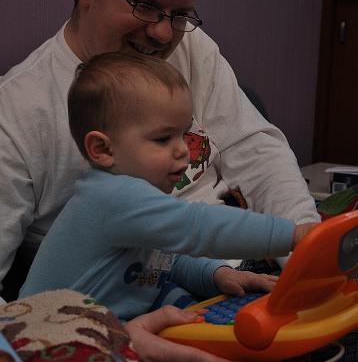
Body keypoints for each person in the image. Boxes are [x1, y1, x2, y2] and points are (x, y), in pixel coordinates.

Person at [0, 0, 320, 362]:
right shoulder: (18, 111)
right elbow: (184, 226)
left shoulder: (191, 46)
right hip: (129, 317)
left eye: (181, 12)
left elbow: (256, 147)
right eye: (145, 5)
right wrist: (103, 345)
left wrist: (309, 256)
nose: (164, 33)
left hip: (219, 275)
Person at [20, 52, 315, 322]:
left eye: (184, 134)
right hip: (52, 338)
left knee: (196, 311)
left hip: (117, 320)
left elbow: (162, 259)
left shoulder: (135, 202)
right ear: (102, 149)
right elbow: (197, 227)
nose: (183, 151)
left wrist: (217, 274)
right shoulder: (113, 197)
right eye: (163, 139)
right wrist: (292, 234)